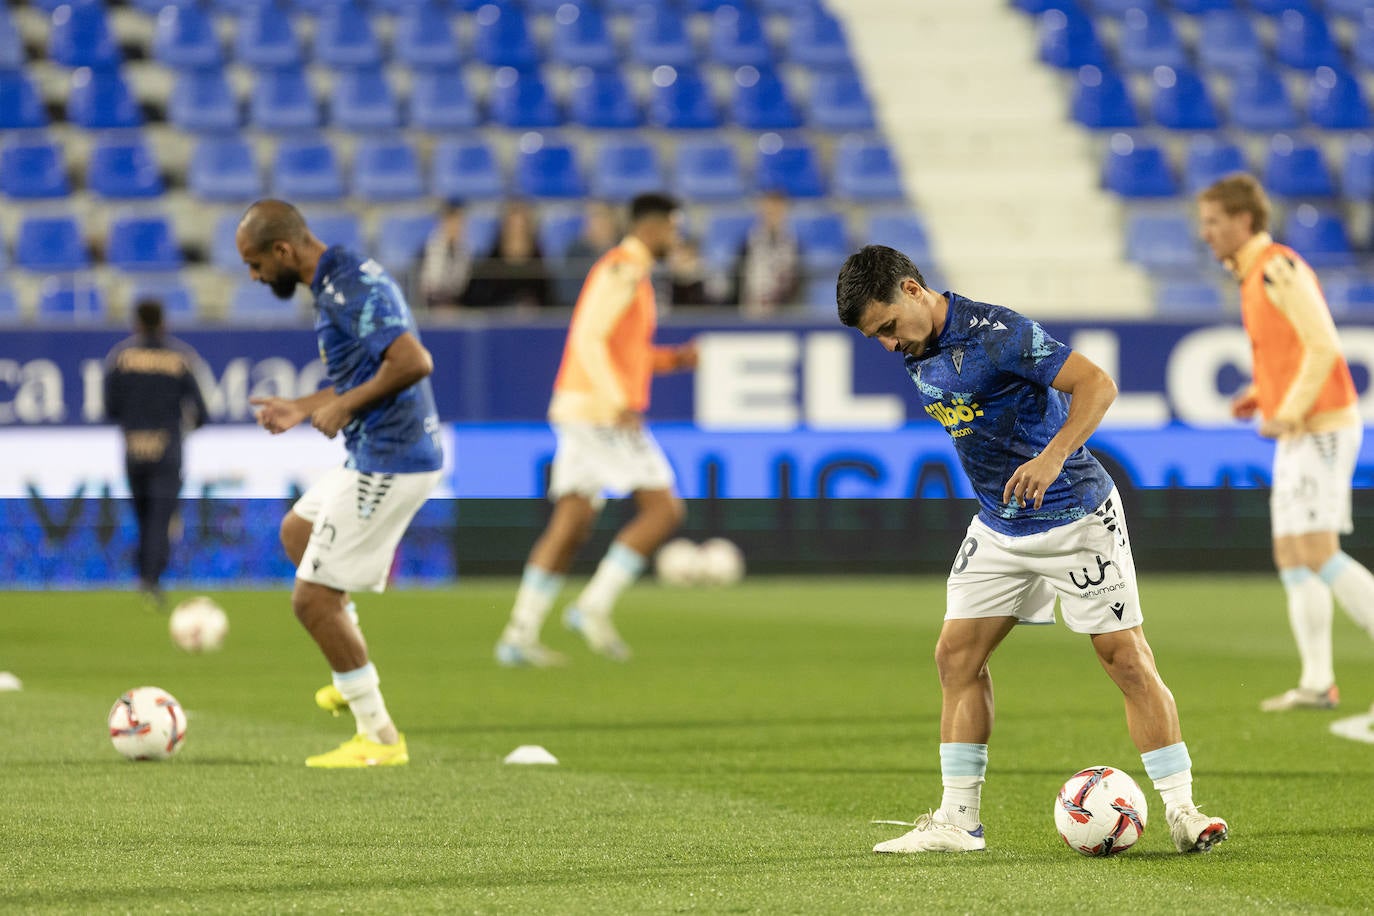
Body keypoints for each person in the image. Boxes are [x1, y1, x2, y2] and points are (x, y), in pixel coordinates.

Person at [836, 245, 1228, 856]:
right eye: (875, 338)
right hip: (1000, 526)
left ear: (912, 290)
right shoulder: (918, 347)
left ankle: (1182, 811)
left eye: (887, 327)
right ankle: (958, 822)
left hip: (1075, 515)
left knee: (1124, 658)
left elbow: (1098, 384)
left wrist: (1050, 459)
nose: (889, 345)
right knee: (956, 657)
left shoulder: (999, 333)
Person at [238, 199, 443, 768]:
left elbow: (413, 361)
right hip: (373, 452)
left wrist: (345, 406)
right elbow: (369, 370)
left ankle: (378, 735)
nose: (254, 277)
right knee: (297, 533)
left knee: (311, 600)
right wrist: (305, 407)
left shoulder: (348, 286)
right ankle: (351, 671)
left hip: (393, 459)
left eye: (255, 264)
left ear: (283, 250)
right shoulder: (336, 277)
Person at [494, 193, 697, 666]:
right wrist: (618, 401)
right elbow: (588, 336)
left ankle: (518, 634)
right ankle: (592, 606)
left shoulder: (633, 273)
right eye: (674, 227)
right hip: (597, 412)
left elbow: (624, 353)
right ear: (654, 227)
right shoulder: (623, 267)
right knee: (664, 509)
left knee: (572, 522)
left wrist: (674, 360)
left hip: (581, 407)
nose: (677, 237)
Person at [1199, 174, 1374, 712]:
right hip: (1301, 426)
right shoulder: (1252, 274)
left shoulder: (1277, 267)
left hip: (1320, 425)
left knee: (1318, 551)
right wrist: (1263, 392)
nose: (1205, 234)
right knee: (1293, 554)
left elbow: (1324, 346)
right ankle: (1318, 682)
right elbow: (1293, 351)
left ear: (1243, 221)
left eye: (1213, 222)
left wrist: (1290, 409)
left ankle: (1320, 680)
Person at [103, 299, 209, 608]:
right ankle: (151, 579)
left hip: (134, 447)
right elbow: (201, 411)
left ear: (136, 323)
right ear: (164, 323)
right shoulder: (180, 358)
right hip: (167, 448)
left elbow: (110, 407)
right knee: (160, 518)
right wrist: (183, 430)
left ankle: (143, 576)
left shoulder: (121, 357)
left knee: (142, 514)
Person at [463, 199, 553, 310]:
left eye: (521, 228)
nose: (516, 233)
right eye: (512, 227)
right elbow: (473, 302)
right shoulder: (490, 266)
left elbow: (549, 304)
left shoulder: (539, 267)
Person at [733, 190, 801, 315]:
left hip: (784, 311)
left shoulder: (794, 244)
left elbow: (798, 279)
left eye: (777, 211)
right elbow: (737, 277)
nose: (772, 215)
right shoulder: (748, 242)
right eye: (769, 211)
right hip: (752, 309)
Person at [556, 200, 621, 307]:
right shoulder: (575, 252)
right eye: (593, 217)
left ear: (613, 221)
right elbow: (567, 292)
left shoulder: (623, 251)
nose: (599, 223)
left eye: (603, 216)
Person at [417, 199, 472, 311]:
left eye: (459, 223)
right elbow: (427, 286)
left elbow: (462, 285)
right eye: (452, 222)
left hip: (457, 305)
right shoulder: (427, 250)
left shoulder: (464, 251)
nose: (456, 227)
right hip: (430, 305)